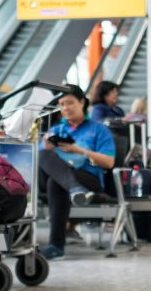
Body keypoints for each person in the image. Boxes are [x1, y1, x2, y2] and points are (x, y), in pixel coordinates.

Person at [38, 85, 115, 260]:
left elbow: (109, 162)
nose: (65, 108)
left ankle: (56, 246)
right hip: (63, 178)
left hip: (88, 177)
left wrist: (79, 150)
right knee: (42, 153)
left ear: (82, 102)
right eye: (62, 104)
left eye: (70, 103)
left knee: (55, 182)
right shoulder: (56, 130)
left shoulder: (98, 129)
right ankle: (74, 190)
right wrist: (48, 146)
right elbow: (43, 160)